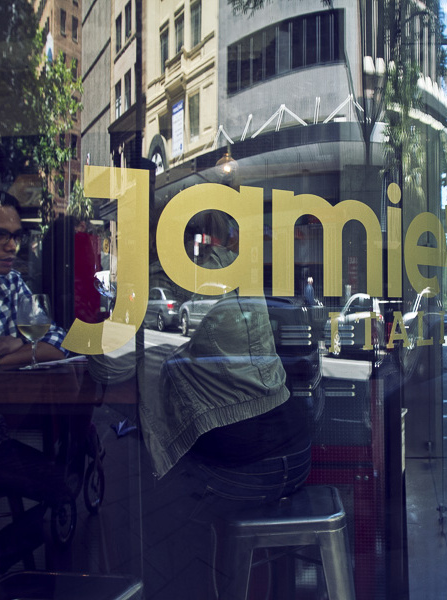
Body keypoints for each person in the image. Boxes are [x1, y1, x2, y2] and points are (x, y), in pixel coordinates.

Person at [139, 210, 311, 599]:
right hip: (298, 451)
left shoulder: (178, 279)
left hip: (247, 471)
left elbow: (109, 364)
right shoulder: (235, 270)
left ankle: (197, 584)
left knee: (155, 505)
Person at [0, 185, 69, 578]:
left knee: (64, 491)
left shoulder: (12, 285)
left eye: (16, 236)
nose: (12, 246)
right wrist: (6, 343)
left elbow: (57, 343)